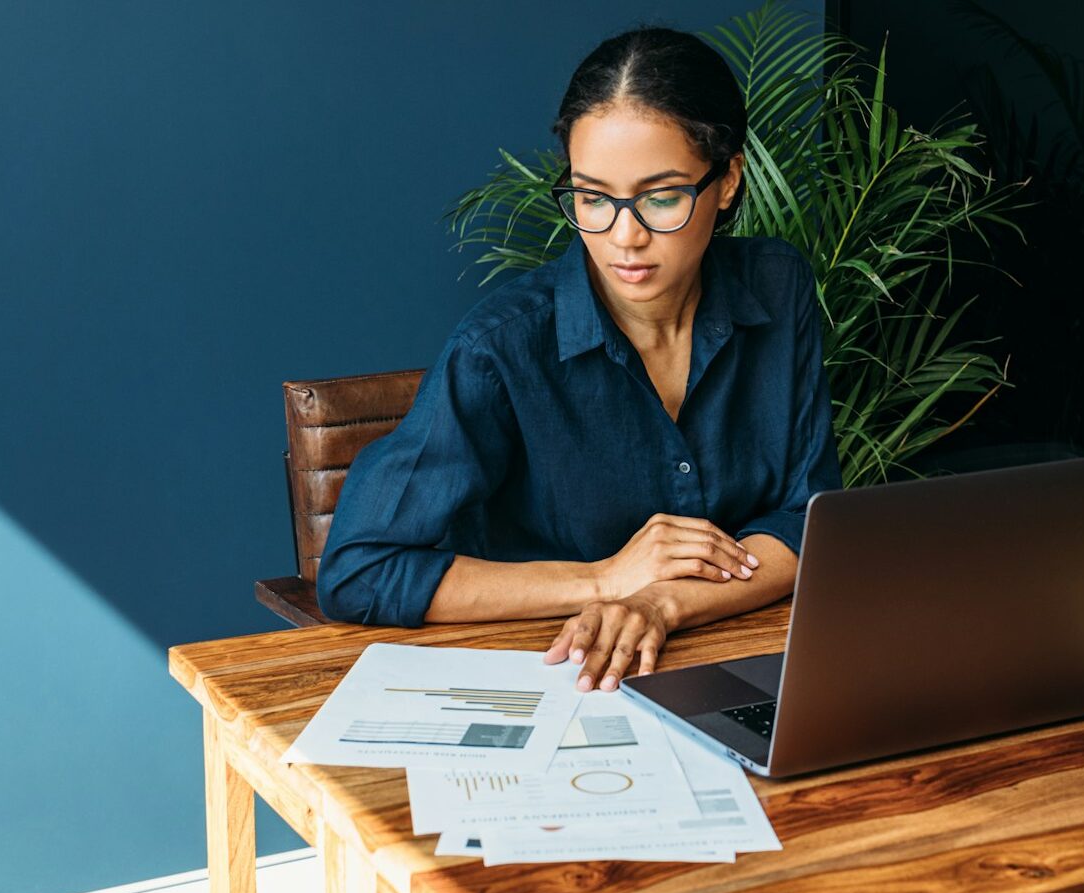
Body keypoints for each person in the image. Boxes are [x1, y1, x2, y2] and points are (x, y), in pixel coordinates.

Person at [316, 27, 841, 696]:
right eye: (593, 197)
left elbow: (808, 521)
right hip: (553, 682)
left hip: (732, 666)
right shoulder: (500, 348)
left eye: (661, 197)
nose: (625, 237)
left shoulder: (778, 288)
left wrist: (660, 602)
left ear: (728, 180)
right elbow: (359, 571)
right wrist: (606, 578)